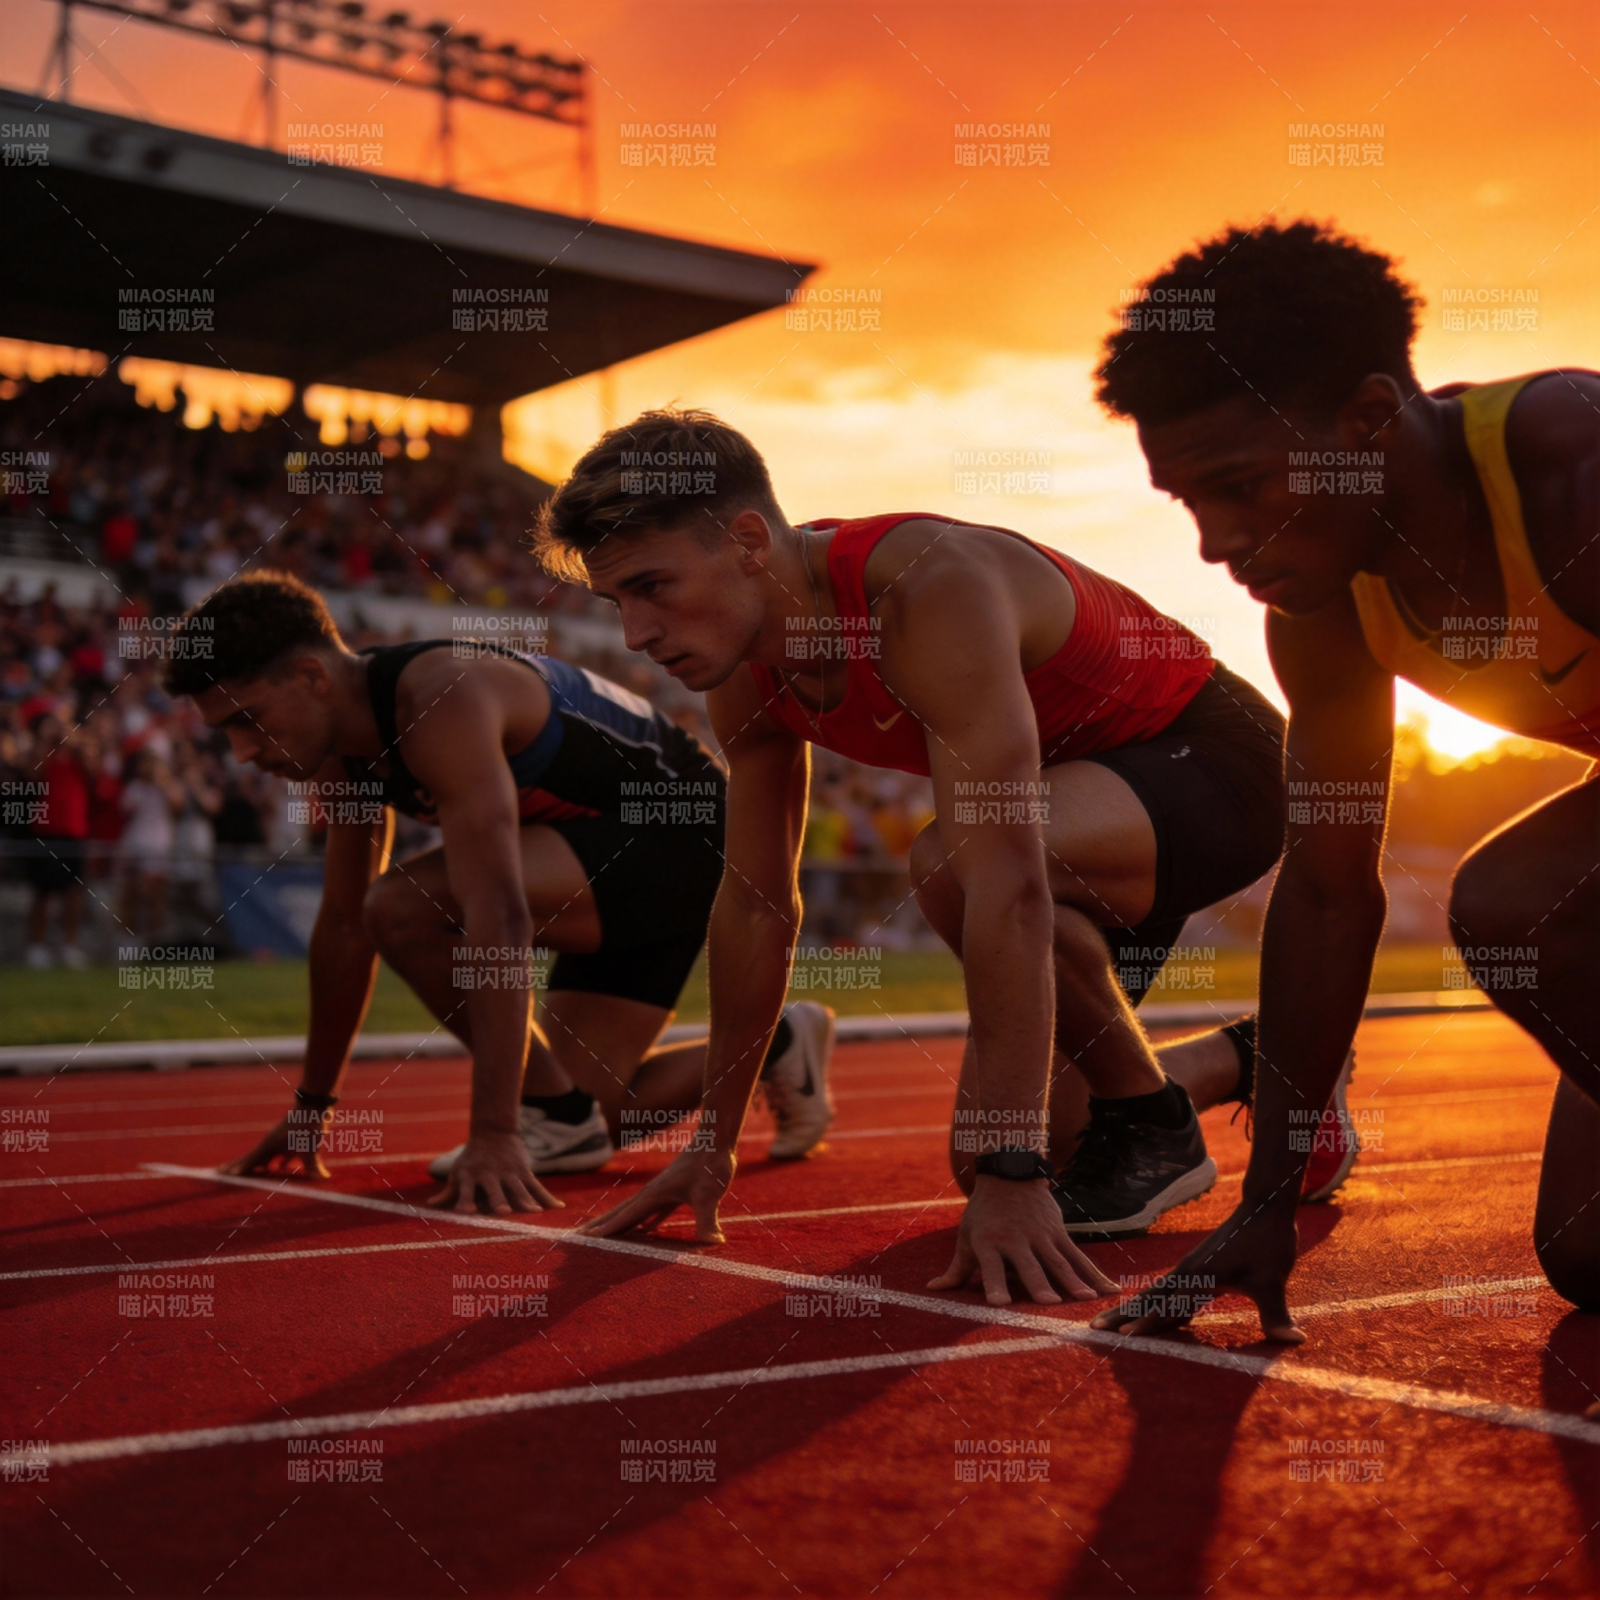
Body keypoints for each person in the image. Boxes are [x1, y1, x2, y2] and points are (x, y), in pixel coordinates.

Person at [535, 408, 1311, 1305]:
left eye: (652, 587)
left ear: (747, 541)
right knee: (986, 1161)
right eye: (618, 603)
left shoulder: (927, 589)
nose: (635, 633)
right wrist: (713, 1145)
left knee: (953, 865)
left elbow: (1006, 880)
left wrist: (1016, 1172)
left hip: (1218, 768)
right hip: (1067, 826)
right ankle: (1251, 1063)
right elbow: (755, 903)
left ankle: (1150, 1118)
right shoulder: (744, 668)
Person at [1087, 219, 1600, 1339]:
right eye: (1188, 503)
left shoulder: (1574, 471)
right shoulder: (1324, 605)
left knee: (1520, 901)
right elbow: (1326, 893)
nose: (1215, 543)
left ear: (1368, 419)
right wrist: (1266, 1202)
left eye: (1239, 486)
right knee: (1587, 1254)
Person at [163, 571, 834, 1212]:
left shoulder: (440, 699)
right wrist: (312, 1106)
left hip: (682, 836)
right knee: (590, 1114)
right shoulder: (338, 754)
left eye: (248, 719)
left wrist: (495, 1130)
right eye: (226, 731)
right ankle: (777, 1042)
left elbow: (498, 913)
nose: (243, 751)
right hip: (605, 858)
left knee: (402, 905)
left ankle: (543, 1116)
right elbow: (340, 926)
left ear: (312, 677)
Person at [23, 713, 90, 968]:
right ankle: (36, 946)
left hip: (74, 832)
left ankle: (68, 946)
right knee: (43, 892)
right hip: (46, 832)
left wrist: (75, 741)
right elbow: (32, 774)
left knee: (73, 893)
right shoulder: (43, 753)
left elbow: (93, 770)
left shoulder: (78, 755)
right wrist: (48, 741)